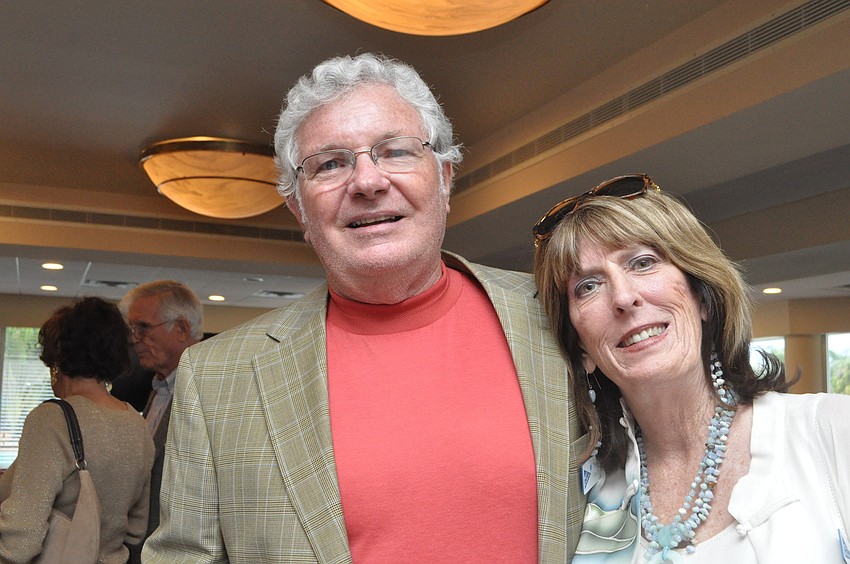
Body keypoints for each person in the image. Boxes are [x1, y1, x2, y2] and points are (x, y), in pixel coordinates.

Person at [143, 53, 586, 563]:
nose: (368, 181)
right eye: (330, 164)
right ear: (299, 209)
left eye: (395, 151)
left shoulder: (560, 313)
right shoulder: (218, 375)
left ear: (444, 179)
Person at [533, 174, 850, 563]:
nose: (624, 297)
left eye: (643, 262)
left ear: (702, 297)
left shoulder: (831, 433)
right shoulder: (581, 493)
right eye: (587, 286)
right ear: (582, 346)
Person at [0, 297, 154, 562]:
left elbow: (21, 538)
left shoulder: (51, 419)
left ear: (57, 361)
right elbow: (137, 528)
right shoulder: (137, 424)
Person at [118, 280, 203, 562]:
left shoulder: (208, 392)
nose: (133, 338)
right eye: (132, 329)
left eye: (142, 327)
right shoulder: (157, 391)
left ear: (181, 328)